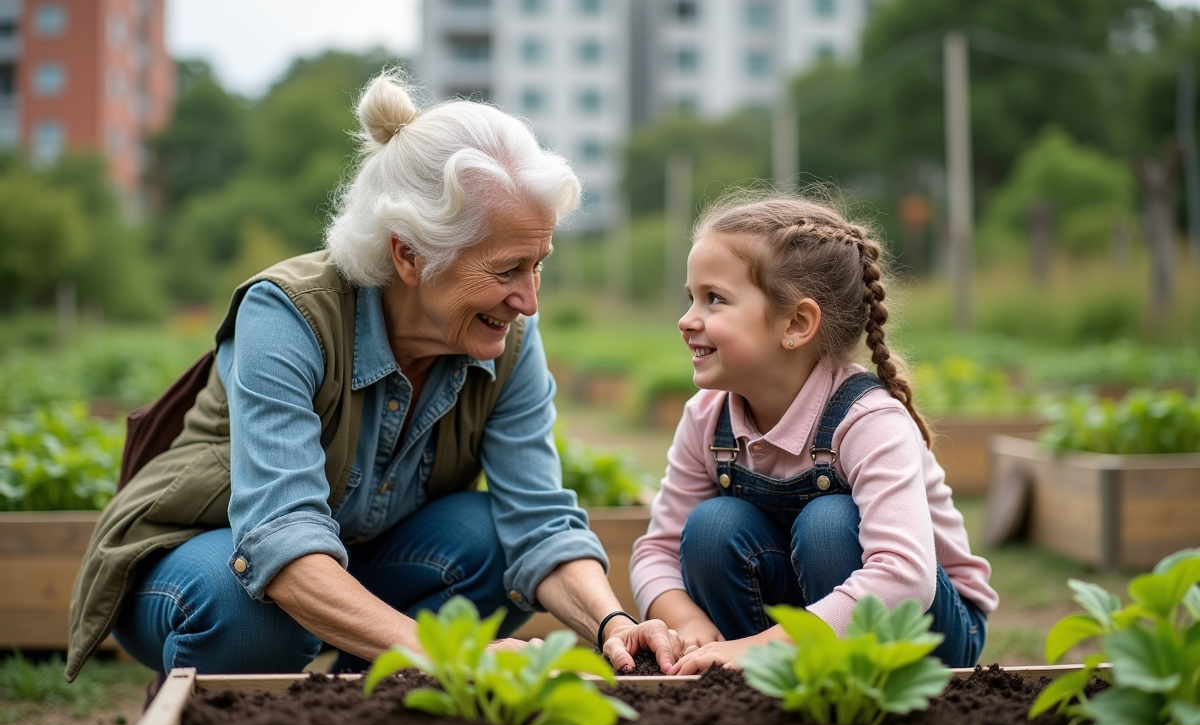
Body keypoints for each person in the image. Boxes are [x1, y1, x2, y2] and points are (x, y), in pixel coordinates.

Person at [64, 69, 679, 683]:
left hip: (351, 559)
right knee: (254, 615)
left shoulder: (506, 340)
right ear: (408, 254)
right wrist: (449, 654)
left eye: (538, 264)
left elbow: (539, 521)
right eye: (507, 269)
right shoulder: (288, 314)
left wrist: (613, 625)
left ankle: (366, 718)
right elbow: (279, 542)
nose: (529, 300)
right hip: (195, 556)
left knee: (492, 540)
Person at [630, 194, 998, 676]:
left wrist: (768, 644)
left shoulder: (867, 418)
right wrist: (687, 619)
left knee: (827, 522)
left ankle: (811, 669)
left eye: (714, 298)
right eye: (691, 297)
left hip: (929, 630)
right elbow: (656, 550)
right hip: (797, 623)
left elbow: (906, 578)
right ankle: (752, 680)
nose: (687, 319)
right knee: (712, 526)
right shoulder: (707, 417)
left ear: (797, 323)